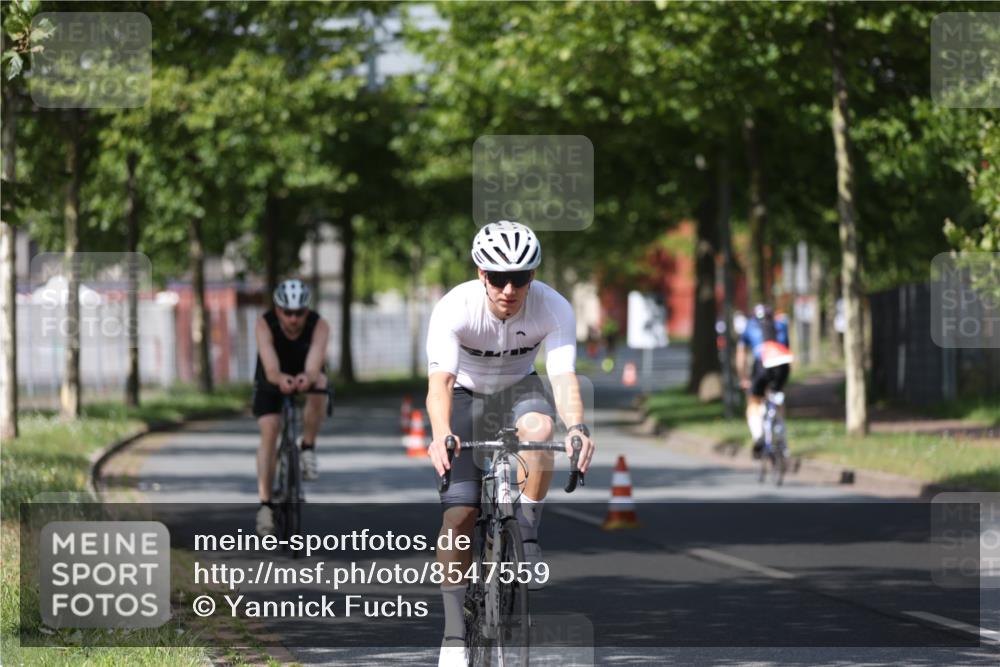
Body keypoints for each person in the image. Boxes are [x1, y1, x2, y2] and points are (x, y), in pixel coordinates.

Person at [425, 220, 596, 666]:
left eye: (519, 278)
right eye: (498, 278)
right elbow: (439, 383)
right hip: (464, 395)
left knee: (541, 432)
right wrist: (441, 431)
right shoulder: (454, 308)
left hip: (520, 388)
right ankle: (453, 635)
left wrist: (577, 427)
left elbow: (563, 377)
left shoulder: (553, 307)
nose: (508, 289)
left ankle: (526, 530)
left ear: (532, 277)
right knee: (460, 514)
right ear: (481, 274)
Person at [251, 279, 330, 536]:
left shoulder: (319, 325)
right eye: (288, 312)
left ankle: (307, 447)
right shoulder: (265, 324)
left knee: (320, 384)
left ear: (306, 311)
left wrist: (307, 377)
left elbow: (315, 360)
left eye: (299, 312)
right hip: (272, 375)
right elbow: (271, 366)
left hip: (305, 368)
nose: (294, 319)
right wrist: (278, 379)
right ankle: (265, 506)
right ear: (278, 310)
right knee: (270, 429)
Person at [736, 303, 793, 458]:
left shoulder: (750, 326)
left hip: (762, 364)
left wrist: (743, 378)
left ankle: (759, 435)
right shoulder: (781, 325)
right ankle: (781, 439)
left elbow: (741, 356)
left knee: (754, 401)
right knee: (777, 399)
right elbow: (787, 349)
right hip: (782, 364)